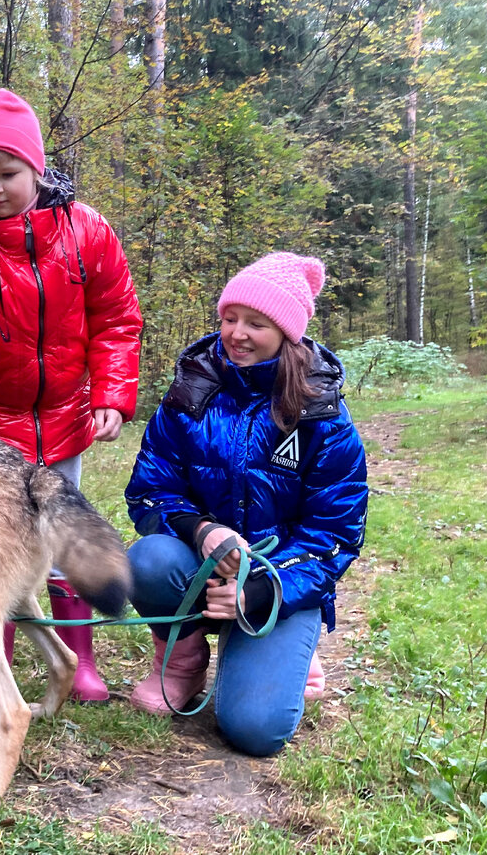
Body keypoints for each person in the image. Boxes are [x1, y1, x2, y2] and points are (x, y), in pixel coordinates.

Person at [0, 89, 143, 701]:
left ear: (37, 169)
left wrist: (113, 392)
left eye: (7, 174)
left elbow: (116, 319)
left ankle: (80, 661)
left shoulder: (86, 231)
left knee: (62, 530)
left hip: (67, 418)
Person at [124, 251, 368, 756]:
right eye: (230, 318)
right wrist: (200, 529)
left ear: (287, 331)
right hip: (203, 566)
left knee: (255, 731)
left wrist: (263, 589)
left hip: (281, 581)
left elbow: (336, 535)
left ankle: (286, 651)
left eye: (256, 323)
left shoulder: (322, 417)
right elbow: (148, 490)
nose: (237, 333)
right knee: (145, 560)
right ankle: (183, 661)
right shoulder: (188, 394)